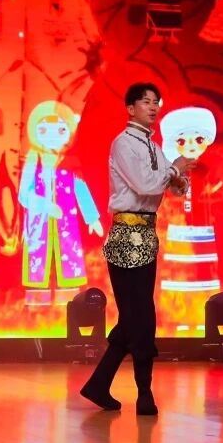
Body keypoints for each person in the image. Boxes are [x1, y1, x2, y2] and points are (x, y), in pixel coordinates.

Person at [79, 83, 194, 415]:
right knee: (140, 316)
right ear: (130, 108)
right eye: (146, 102)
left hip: (146, 233)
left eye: (156, 102)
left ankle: (101, 384)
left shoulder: (153, 146)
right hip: (126, 234)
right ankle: (143, 393)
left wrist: (179, 180)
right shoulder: (123, 143)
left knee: (137, 316)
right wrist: (174, 169)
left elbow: (168, 189)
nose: (153, 107)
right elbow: (145, 185)